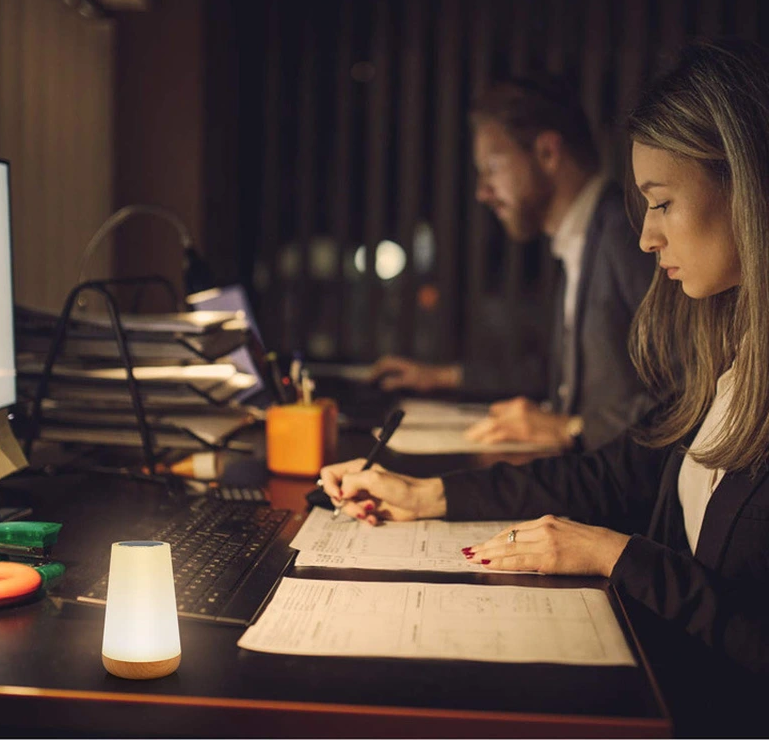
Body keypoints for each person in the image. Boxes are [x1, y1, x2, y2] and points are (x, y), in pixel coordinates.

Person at [323, 38, 769, 736]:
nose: (647, 237)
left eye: (662, 203)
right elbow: (618, 473)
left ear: (748, 189)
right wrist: (429, 494)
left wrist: (620, 557)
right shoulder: (732, 352)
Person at [371, 76, 654, 451]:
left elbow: (686, 392)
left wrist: (572, 428)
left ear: (548, 153)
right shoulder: (583, 236)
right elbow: (560, 376)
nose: (482, 192)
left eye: (491, 168)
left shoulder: (627, 234)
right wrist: (445, 376)